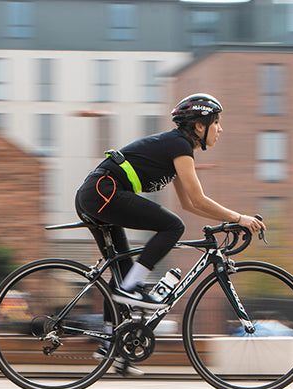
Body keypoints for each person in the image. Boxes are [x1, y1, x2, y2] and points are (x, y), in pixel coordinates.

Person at [74, 93, 264, 374]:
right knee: (171, 228)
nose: (220, 129)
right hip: (105, 192)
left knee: (125, 274)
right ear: (199, 126)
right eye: (217, 122)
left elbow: (189, 203)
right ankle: (129, 291)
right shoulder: (179, 145)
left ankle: (111, 348)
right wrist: (239, 218)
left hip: (98, 194)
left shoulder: (176, 149)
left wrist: (227, 220)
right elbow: (198, 200)